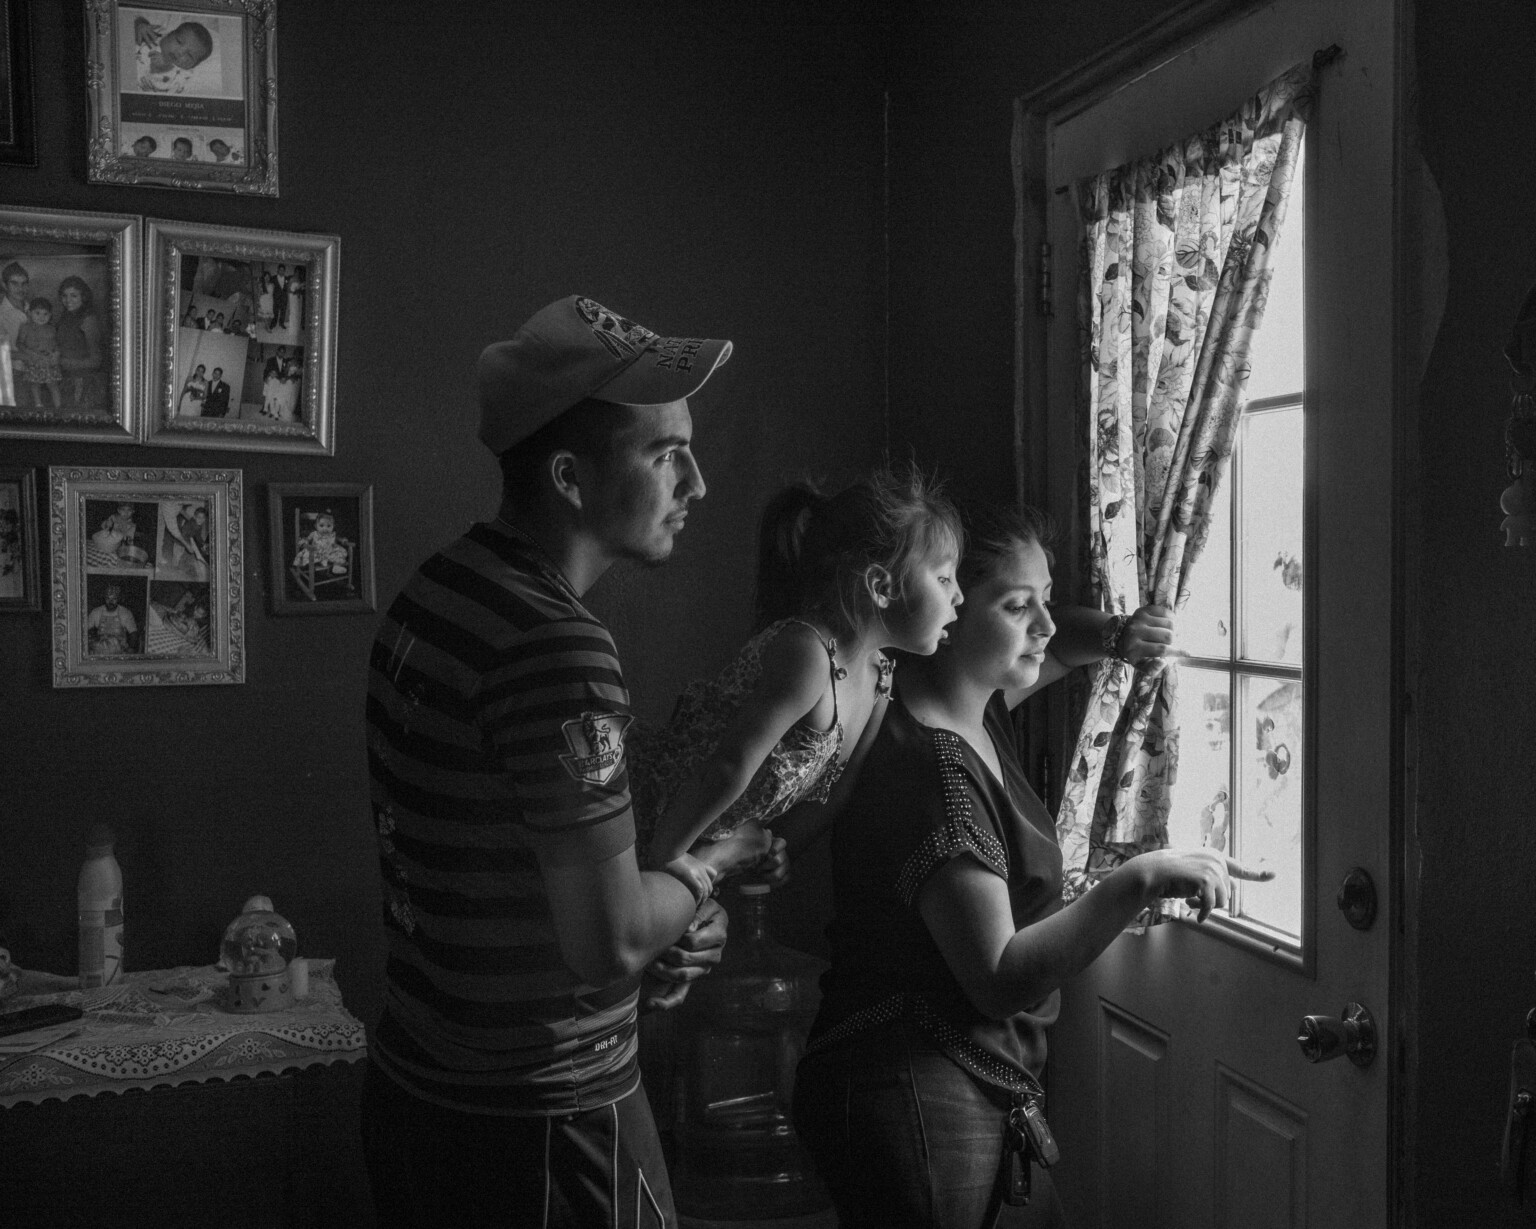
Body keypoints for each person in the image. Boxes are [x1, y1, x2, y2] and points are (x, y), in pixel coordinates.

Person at [360, 294, 783, 1228]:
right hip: (544, 1121)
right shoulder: (558, 645)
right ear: (570, 478)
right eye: (664, 453)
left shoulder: (437, 590)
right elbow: (611, 941)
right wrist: (710, 867)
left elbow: (523, 890)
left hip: (420, 1092)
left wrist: (658, 921)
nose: (698, 483)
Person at [791, 502, 1269, 1228]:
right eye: (1017, 606)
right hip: (915, 1087)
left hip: (957, 1079)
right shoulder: (933, 770)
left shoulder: (972, 705)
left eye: (1043, 598)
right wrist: (1141, 877)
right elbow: (999, 976)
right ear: (951, 610)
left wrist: (1115, 634)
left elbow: (1061, 643)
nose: (1043, 623)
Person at [634, 468, 963, 901]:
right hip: (656, 819)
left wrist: (782, 847)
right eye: (944, 579)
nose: (959, 596)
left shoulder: (880, 679)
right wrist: (668, 853)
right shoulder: (808, 654)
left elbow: (835, 794)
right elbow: (729, 765)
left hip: (701, 841)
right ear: (881, 587)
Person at [57, 276, 105, 411]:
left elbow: (96, 361)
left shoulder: (89, 320)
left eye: (74, 296)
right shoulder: (65, 317)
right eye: (64, 296)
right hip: (65, 379)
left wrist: (64, 362)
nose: (68, 300)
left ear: (83, 297)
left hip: (83, 383)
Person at [133, 16, 213, 94]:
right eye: (179, 41)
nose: (180, 52)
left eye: (189, 55)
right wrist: (140, 26)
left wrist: (164, 69)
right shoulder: (156, 34)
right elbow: (135, 21)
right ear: (169, 34)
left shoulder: (181, 76)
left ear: (193, 65)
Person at [14, 297, 62, 409]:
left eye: (45, 314)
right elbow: (19, 343)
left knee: (53, 385)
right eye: (37, 313)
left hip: (48, 362)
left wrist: (56, 353)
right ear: (30, 313)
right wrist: (30, 353)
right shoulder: (26, 328)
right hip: (34, 361)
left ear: (50, 315)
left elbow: (56, 344)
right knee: (35, 384)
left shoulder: (51, 328)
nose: (41, 317)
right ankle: (38, 404)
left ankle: (59, 407)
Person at [87, 583, 138, 655]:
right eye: (108, 598)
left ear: (118, 599)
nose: (111, 602)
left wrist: (131, 648)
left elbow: (133, 633)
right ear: (104, 598)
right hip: (101, 650)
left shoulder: (125, 613)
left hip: (120, 650)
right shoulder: (96, 612)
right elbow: (84, 630)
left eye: (114, 599)